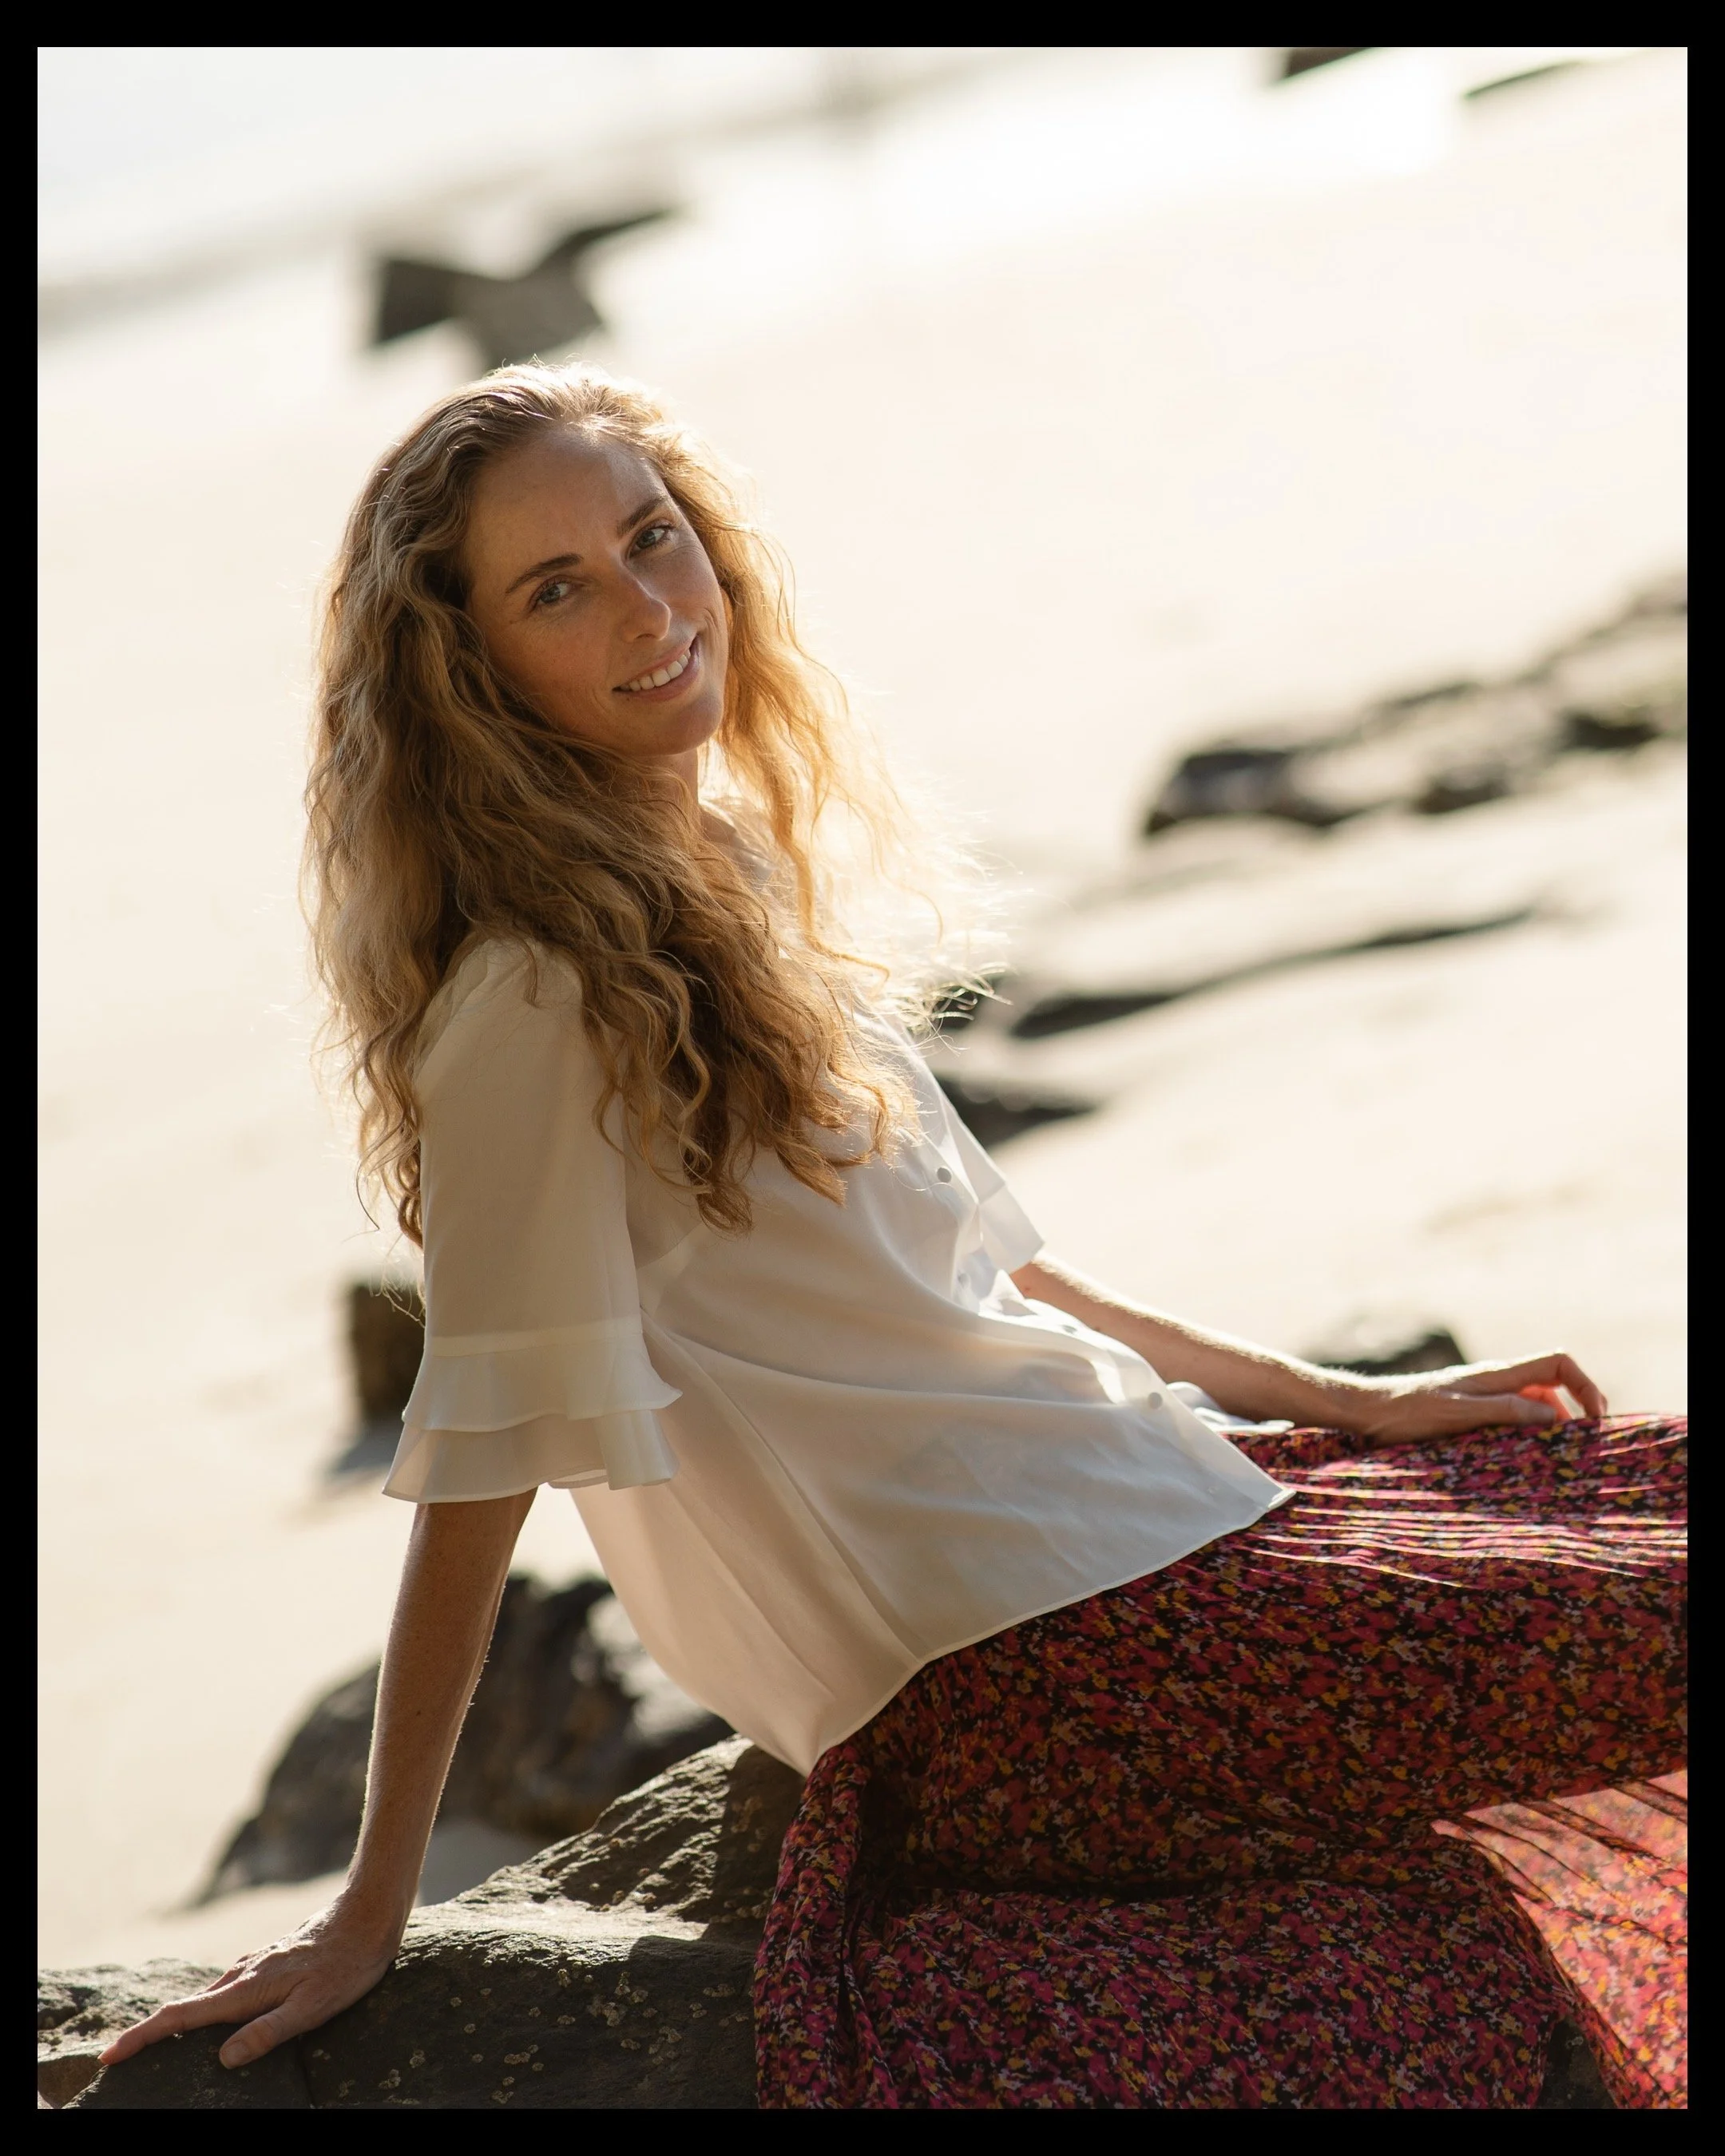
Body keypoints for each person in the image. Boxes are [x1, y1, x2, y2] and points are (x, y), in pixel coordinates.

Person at [102, 363, 1686, 2108]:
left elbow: (983, 1274)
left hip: (1141, 1517)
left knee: (1638, 1495)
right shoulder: (530, 1001)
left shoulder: (709, 869)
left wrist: (1353, 1401)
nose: (649, 607)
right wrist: (373, 1909)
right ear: (464, 669)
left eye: (654, 538)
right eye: (559, 588)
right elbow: (487, 1448)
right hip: (1025, 1666)